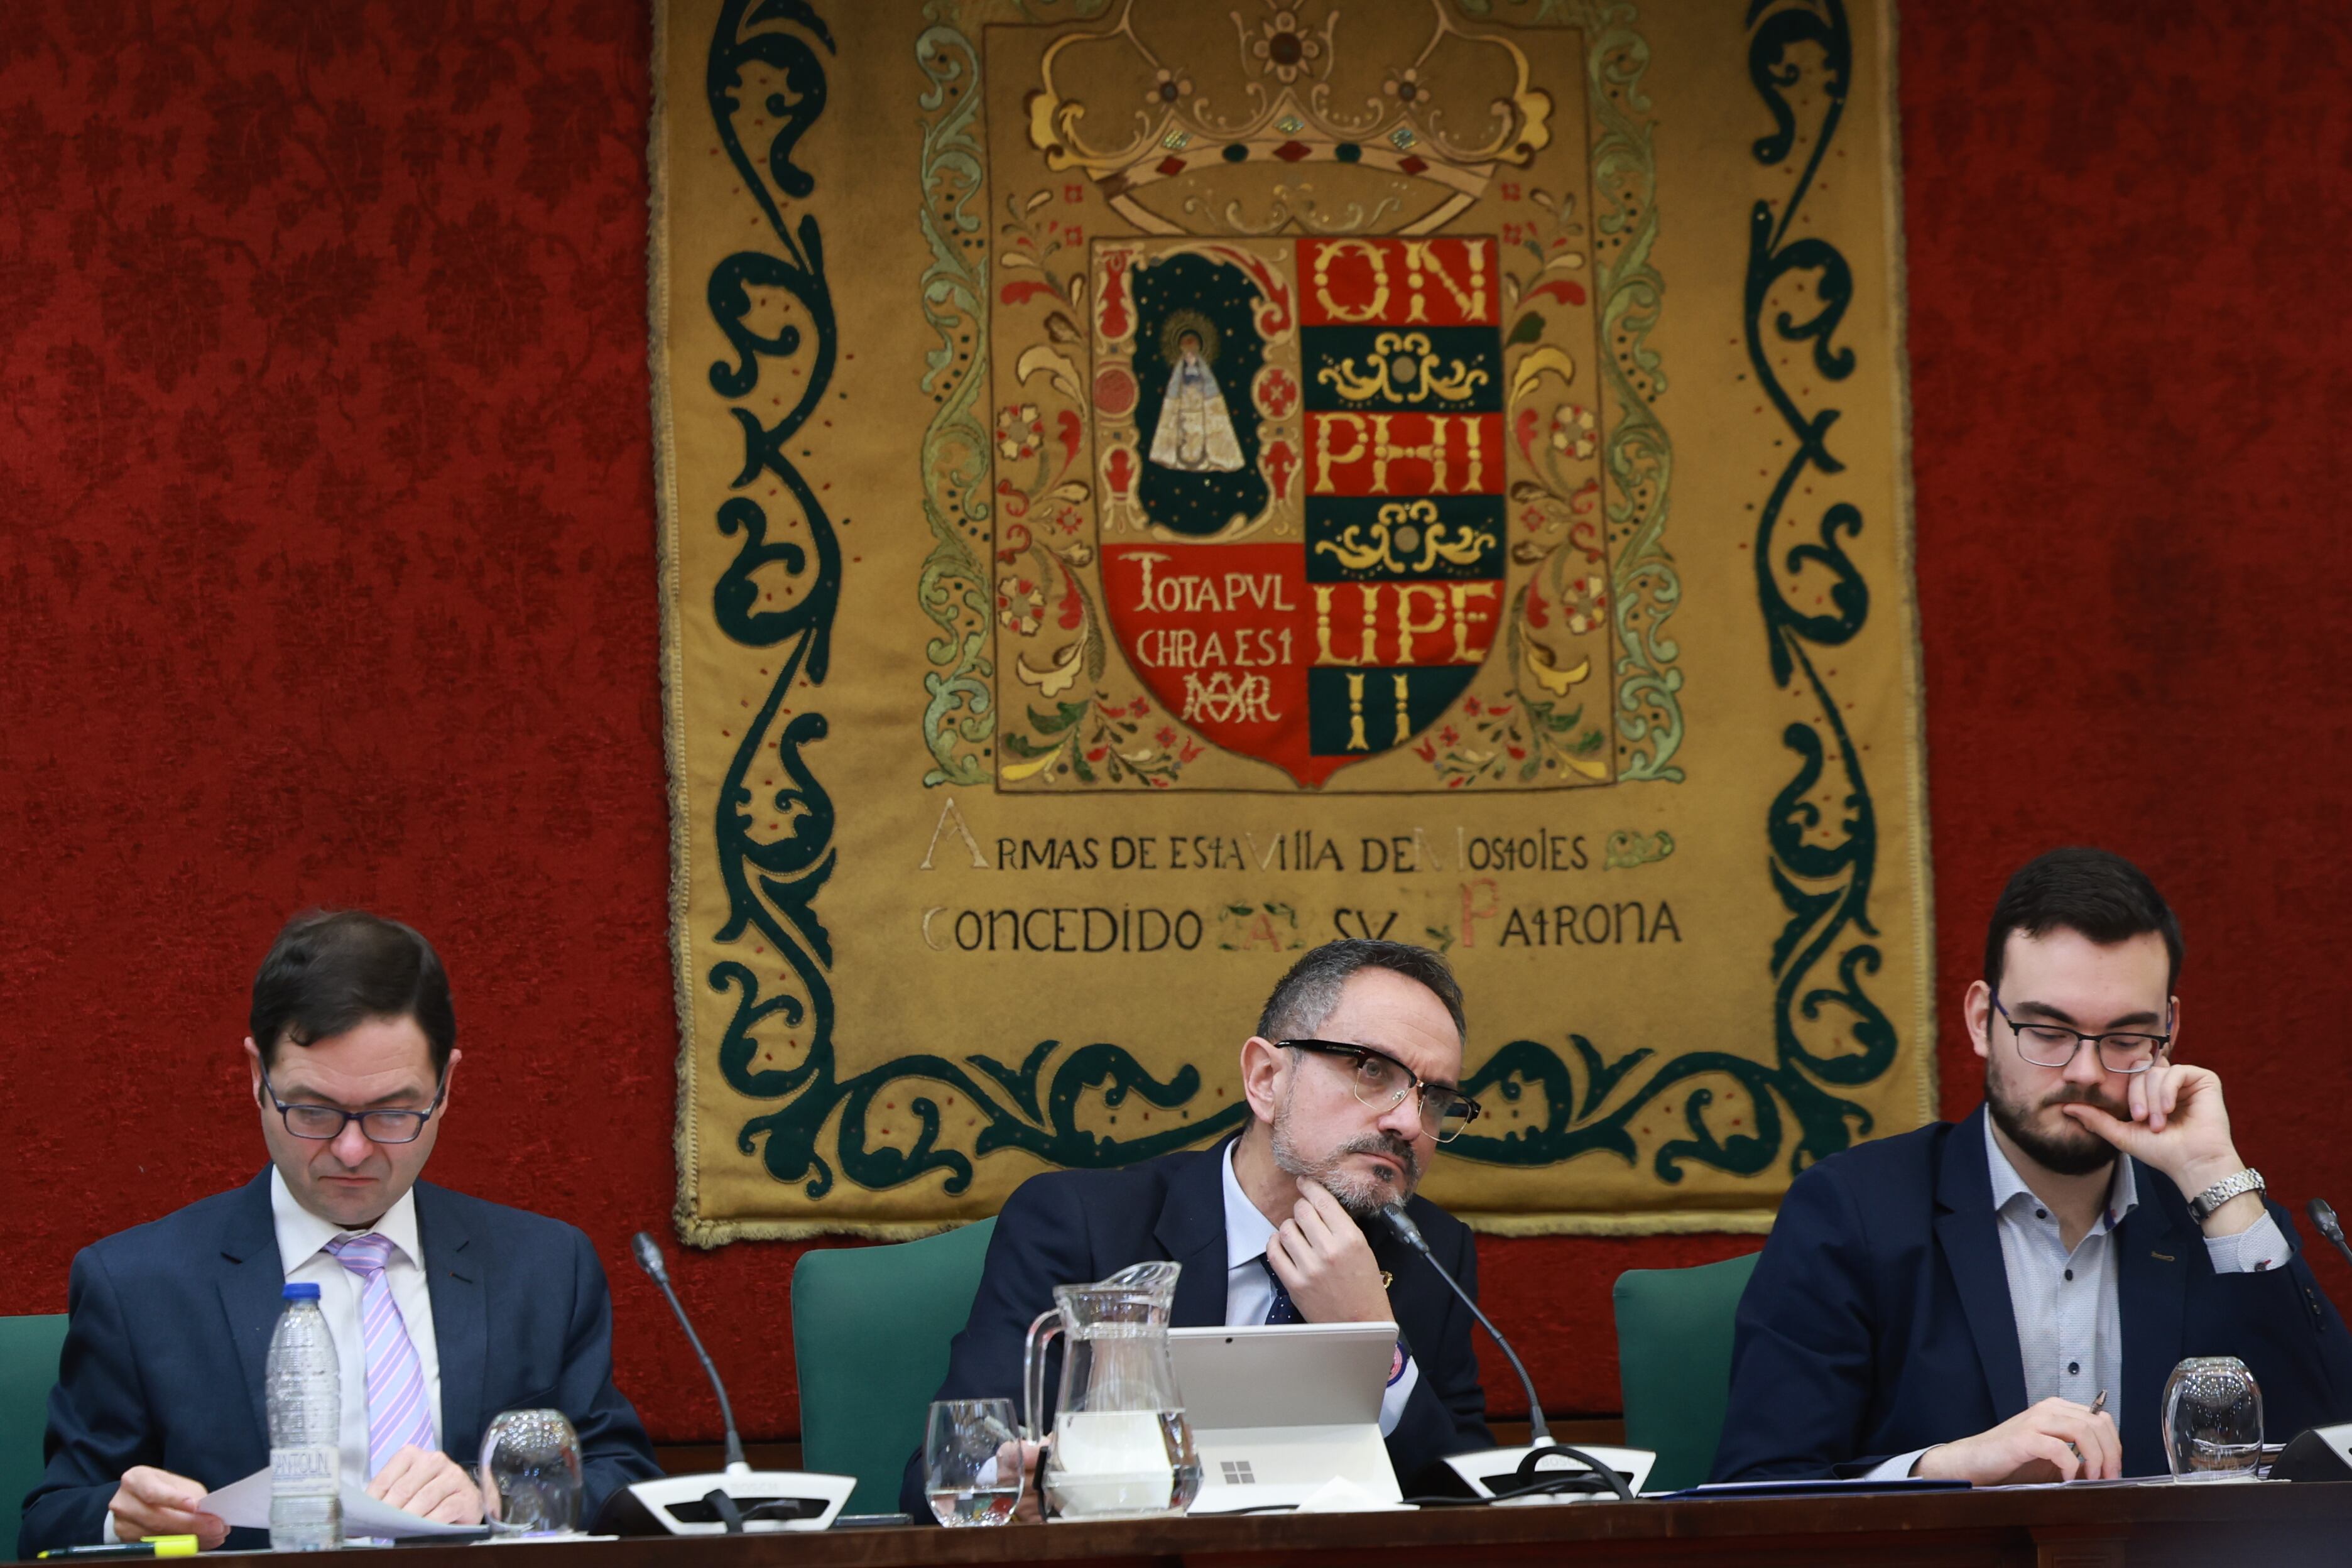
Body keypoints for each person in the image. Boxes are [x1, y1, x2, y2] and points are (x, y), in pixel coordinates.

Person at [18, 912, 660, 1555]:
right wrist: (121, 1516)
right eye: (314, 1110)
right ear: (256, 1078)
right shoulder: (137, 1286)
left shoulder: (544, 1269)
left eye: (392, 1112)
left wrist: (494, 1492)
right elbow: (50, 1523)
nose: (352, 1150)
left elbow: (624, 1482)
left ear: (446, 1089)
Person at [1714, 847, 2352, 1483]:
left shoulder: (2207, 1216)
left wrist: (2216, 1174)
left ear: (2169, 1031)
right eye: (2048, 1032)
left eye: (2127, 1039)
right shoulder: (1849, 1214)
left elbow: (2330, 1454)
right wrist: (1949, 1470)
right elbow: (1755, 1490)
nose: (2086, 1072)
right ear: (1980, 1021)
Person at [900, 939, 1494, 1516]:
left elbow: (1473, 1508)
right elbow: (951, 1476)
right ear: (1266, 1079)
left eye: (1435, 1099)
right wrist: (1016, 1485)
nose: (1408, 1123)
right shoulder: (1081, 1225)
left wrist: (1371, 1339)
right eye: (1371, 1070)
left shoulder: (1431, 1252)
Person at [1147, 327, 1244, 472]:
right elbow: (1174, 389)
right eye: (1187, 354)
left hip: (1200, 409)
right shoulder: (1180, 372)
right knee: (1185, 437)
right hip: (1184, 410)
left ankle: (1209, 460)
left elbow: (1210, 389)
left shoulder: (1204, 373)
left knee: (1200, 437)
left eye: (1192, 353)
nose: (1190, 356)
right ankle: (1179, 461)